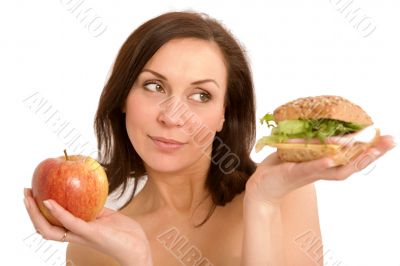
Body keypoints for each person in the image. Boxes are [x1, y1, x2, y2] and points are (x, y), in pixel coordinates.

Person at [23, 11, 395, 266]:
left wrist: (262, 203)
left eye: (201, 95)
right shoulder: (94, 247)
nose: (171, 116)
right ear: (123, 98)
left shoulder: (285, 194)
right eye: (154, 86)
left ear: (224, 114)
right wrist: (137, 259)